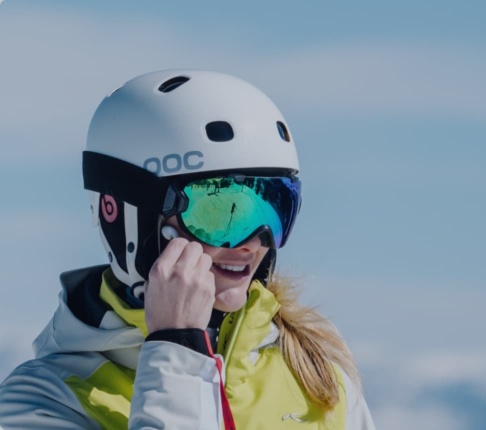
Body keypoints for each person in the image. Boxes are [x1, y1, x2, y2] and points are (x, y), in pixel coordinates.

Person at [0, 70, 376, 429]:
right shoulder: (44, 401)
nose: (254, 242)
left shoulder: (318, 381)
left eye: (275, 208)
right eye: (220, 211)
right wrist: (177, 348)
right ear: (120, 213)